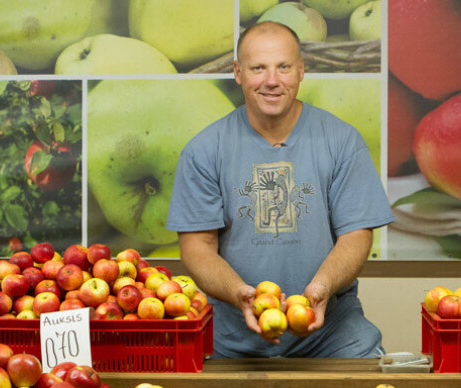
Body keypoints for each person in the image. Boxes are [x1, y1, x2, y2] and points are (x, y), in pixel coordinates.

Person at [166, 21, 394, 358]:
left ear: (301, 70)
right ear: (238, 73)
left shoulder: (342, 141)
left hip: (333, 335)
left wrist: (322, 287)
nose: (272, 81)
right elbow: (197, 247)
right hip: (231, 340)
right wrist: (237, 292)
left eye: (283, 67)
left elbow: (356, 236)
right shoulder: (204, 149)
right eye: (258, 68)